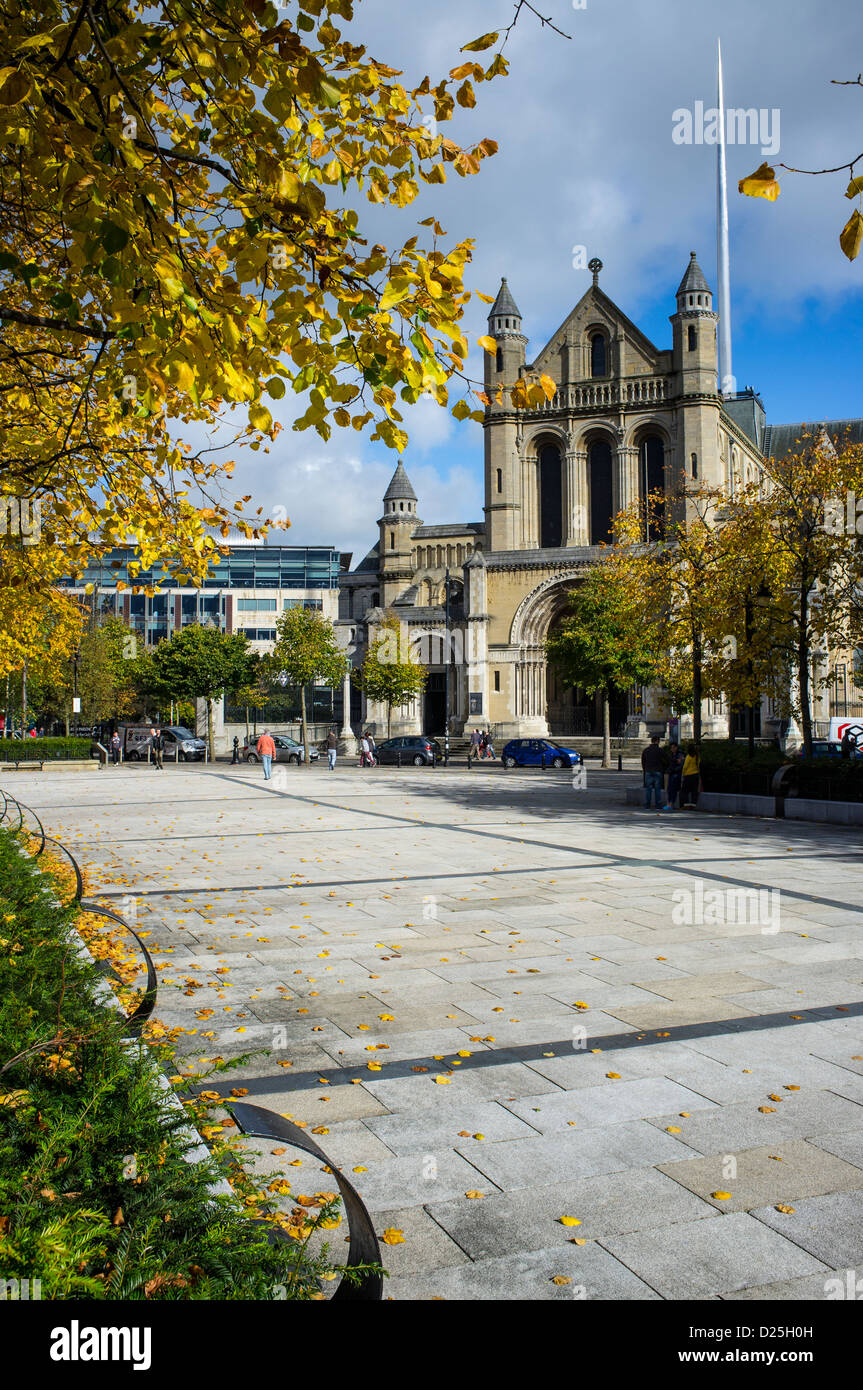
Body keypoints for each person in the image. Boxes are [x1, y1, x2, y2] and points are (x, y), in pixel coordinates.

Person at [641, 733, 667, 810]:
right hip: (658, 771)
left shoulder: (646, 750)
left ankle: (647, 805)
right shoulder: (660, 750)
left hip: (648, 771)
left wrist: (645, 769)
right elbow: (666, 758)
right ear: (657, 741)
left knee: (648, 789)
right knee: (657, 789)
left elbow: (643, 761)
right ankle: (658, 805)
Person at [680, 743, 701, 809]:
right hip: (695, 775)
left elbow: (685, 766)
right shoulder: (697, 756)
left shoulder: (688, 756)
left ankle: (686, 805)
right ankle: (693, 805)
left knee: (685, 791)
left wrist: (683, 774)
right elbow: (698, 765)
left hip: (688, 775)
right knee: (694, 791)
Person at [665, 741, 684, 810]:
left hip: (676, 774)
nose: (672, 749)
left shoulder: (680, 754)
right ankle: (669, 803)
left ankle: (671, 803)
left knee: (673, 789)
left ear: (676, 747)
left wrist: (675, 770)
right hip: (671, 773)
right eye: (671, 748)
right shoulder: (672, 754)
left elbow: (681, 765)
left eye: (673, 748)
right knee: (670, 789)